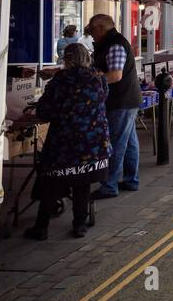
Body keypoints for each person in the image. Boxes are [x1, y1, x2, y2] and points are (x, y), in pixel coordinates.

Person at [24, 43, 111, 240]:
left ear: (66, 60)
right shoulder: (99, 78)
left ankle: (41, 227)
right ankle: (79, 225)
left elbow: (45, 111)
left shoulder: (60, 80)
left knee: (49, 183)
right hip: (93, 143)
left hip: (65, 142)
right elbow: (103, 99)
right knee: (82, 183)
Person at [85, 13, 140, 199]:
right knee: (129, 142)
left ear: (101, 28)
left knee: (116, 143)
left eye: (92, 30)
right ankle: (131, 180)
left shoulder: (115, 44)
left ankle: (109, 185)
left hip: (120, 101)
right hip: (126, 100)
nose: (91, 34)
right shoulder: (109, 43)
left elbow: (115, 75)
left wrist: (92, 80)